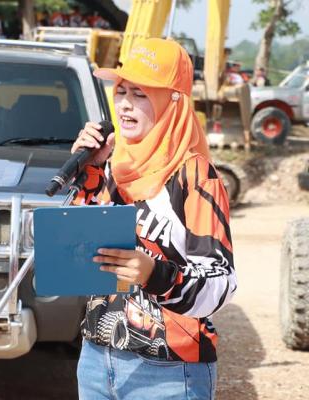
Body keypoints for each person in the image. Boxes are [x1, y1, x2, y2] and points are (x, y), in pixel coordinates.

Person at [72, 38, 237, 400]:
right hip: (96, 359)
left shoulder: (195, 177)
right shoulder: (111, 164)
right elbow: (79, 250)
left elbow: (221, 284)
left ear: (172, 102)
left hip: (169, 371)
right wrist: (89, 173)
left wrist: (155, 274)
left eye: (141, 94)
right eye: (121, 91)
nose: (125, 104)